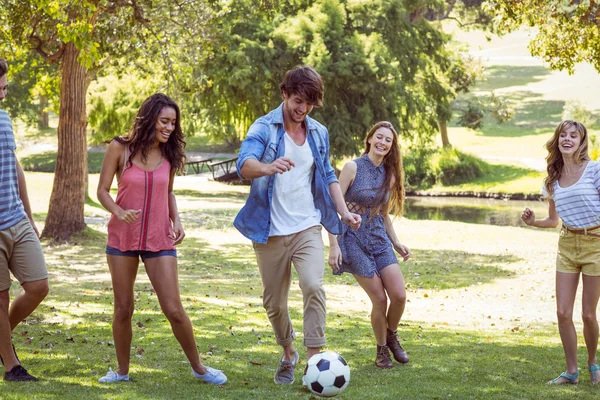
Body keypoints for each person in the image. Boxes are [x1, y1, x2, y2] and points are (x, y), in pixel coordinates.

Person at [234, 65, 361, 385]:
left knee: (314, 285)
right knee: (274, 302)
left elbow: (329, 175)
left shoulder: (318, 132)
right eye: (297, 100)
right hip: (270, 231)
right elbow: (243, 164)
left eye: (309, 103)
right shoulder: (264, 127)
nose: (302, 108)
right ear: (285, 94)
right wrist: (266, 167)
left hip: (307, 225)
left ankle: (314, 360)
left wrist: (343, 212)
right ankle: (288, 351)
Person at [96, 93, 227, 385]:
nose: (169, 128)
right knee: (123, 308)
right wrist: (119, 211)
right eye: (164, 121)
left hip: (159, 237)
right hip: (122, 237)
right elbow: (102, 190)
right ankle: (121, 371)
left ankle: (199, 368)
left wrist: (176, 220)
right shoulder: (120, 148)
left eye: (173, 123)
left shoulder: (169, 154)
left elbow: (168, 191)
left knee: (174, 309)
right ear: (149, 119)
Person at [521, 120, 600, 385]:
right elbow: (553, 221)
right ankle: (571, 371)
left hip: (596, 245)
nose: (567, 139)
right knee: (563, 313)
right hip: (567, 245)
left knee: (588, 314)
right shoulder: (552, 179)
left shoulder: (595, 170)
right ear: (557, 141)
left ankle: (593, 363)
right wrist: (533, 222)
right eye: (563, 135)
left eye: (573, 135)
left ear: (581, 141)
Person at [327, 121, 411, 369]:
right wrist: (334, 244)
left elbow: (382, 213)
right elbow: (334, 207)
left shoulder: (390, 174)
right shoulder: (352, 167)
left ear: (392, 146)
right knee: (379, 299)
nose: (383, 143)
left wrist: (395, 241)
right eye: (379, 137)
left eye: (388, 140)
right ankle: (382, 350)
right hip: (352, 240)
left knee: (399, 295)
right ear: (370, 138)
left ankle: (392, 334)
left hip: (379, 240)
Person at [0, 58, 49, 382]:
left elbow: (14, 165)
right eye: (0, 87)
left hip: (16, 217)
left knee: (38, 286)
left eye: (5, 87)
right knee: (0, 297)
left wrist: (30, 216)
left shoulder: (5, 118)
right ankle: (11, 365)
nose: (4, 93)